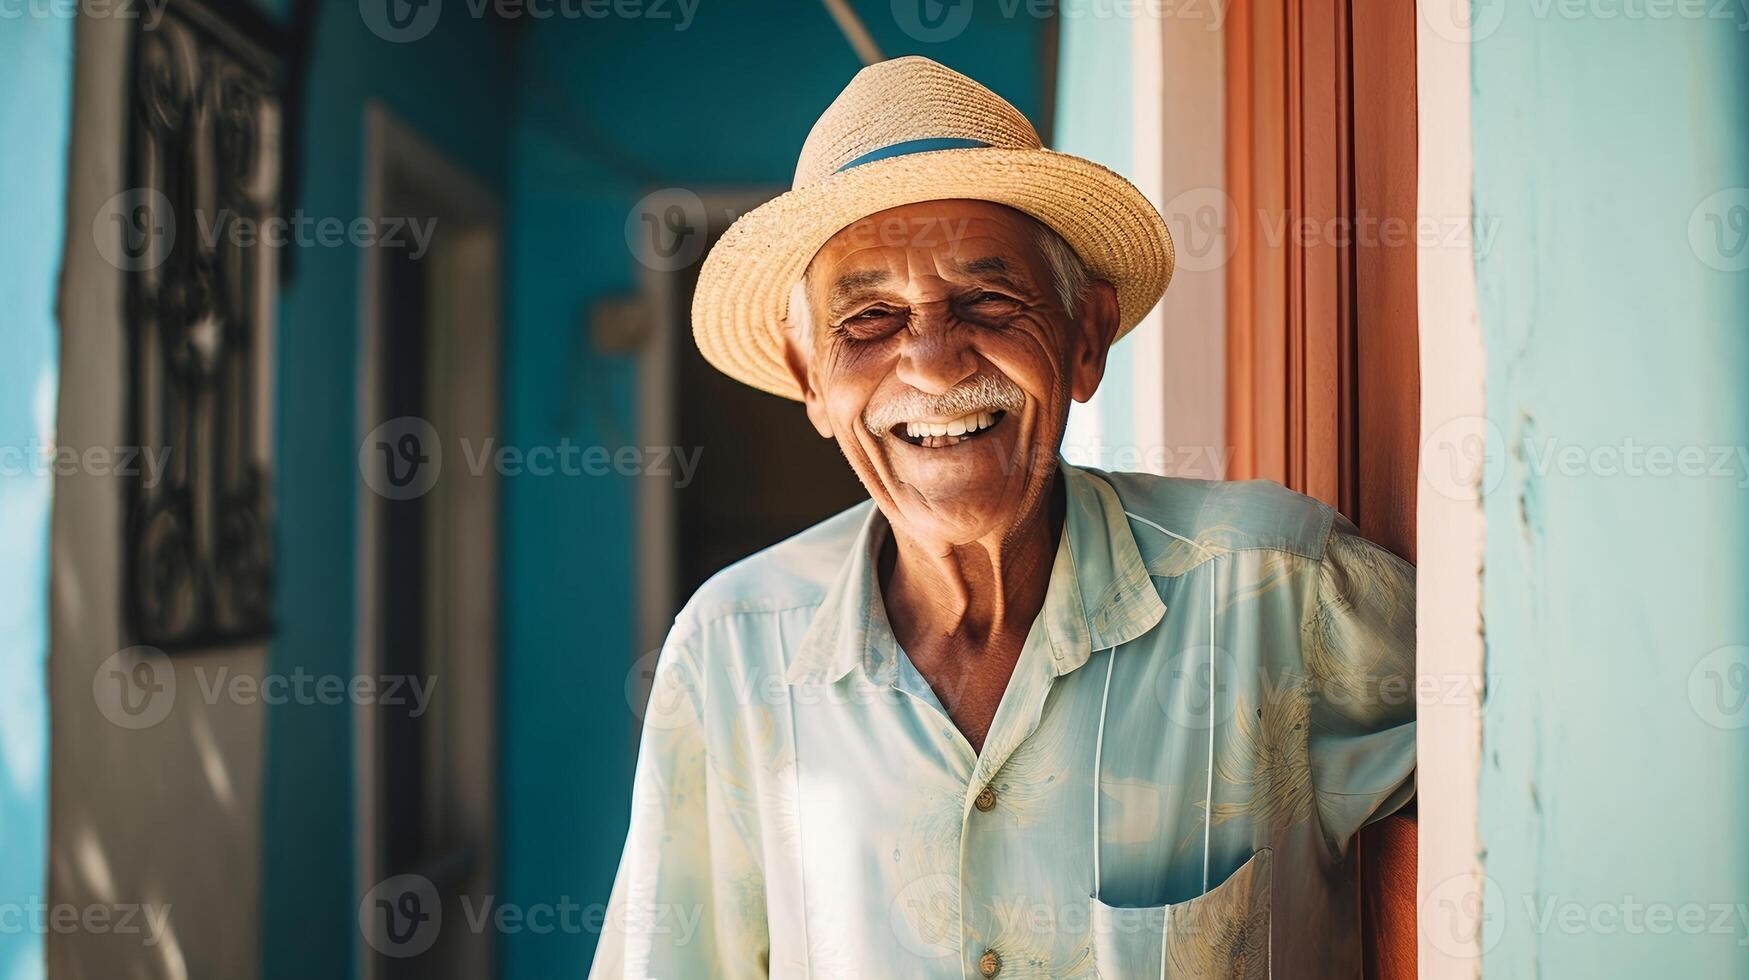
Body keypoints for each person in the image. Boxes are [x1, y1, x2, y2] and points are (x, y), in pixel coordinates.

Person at [591, 56, 1416, 979]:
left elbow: (1546, 781)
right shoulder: (732, 653)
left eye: (986, 299)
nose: (935, 366)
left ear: (1085, 337)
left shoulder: (1277, 591)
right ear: (807, 379)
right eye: (869, 318)